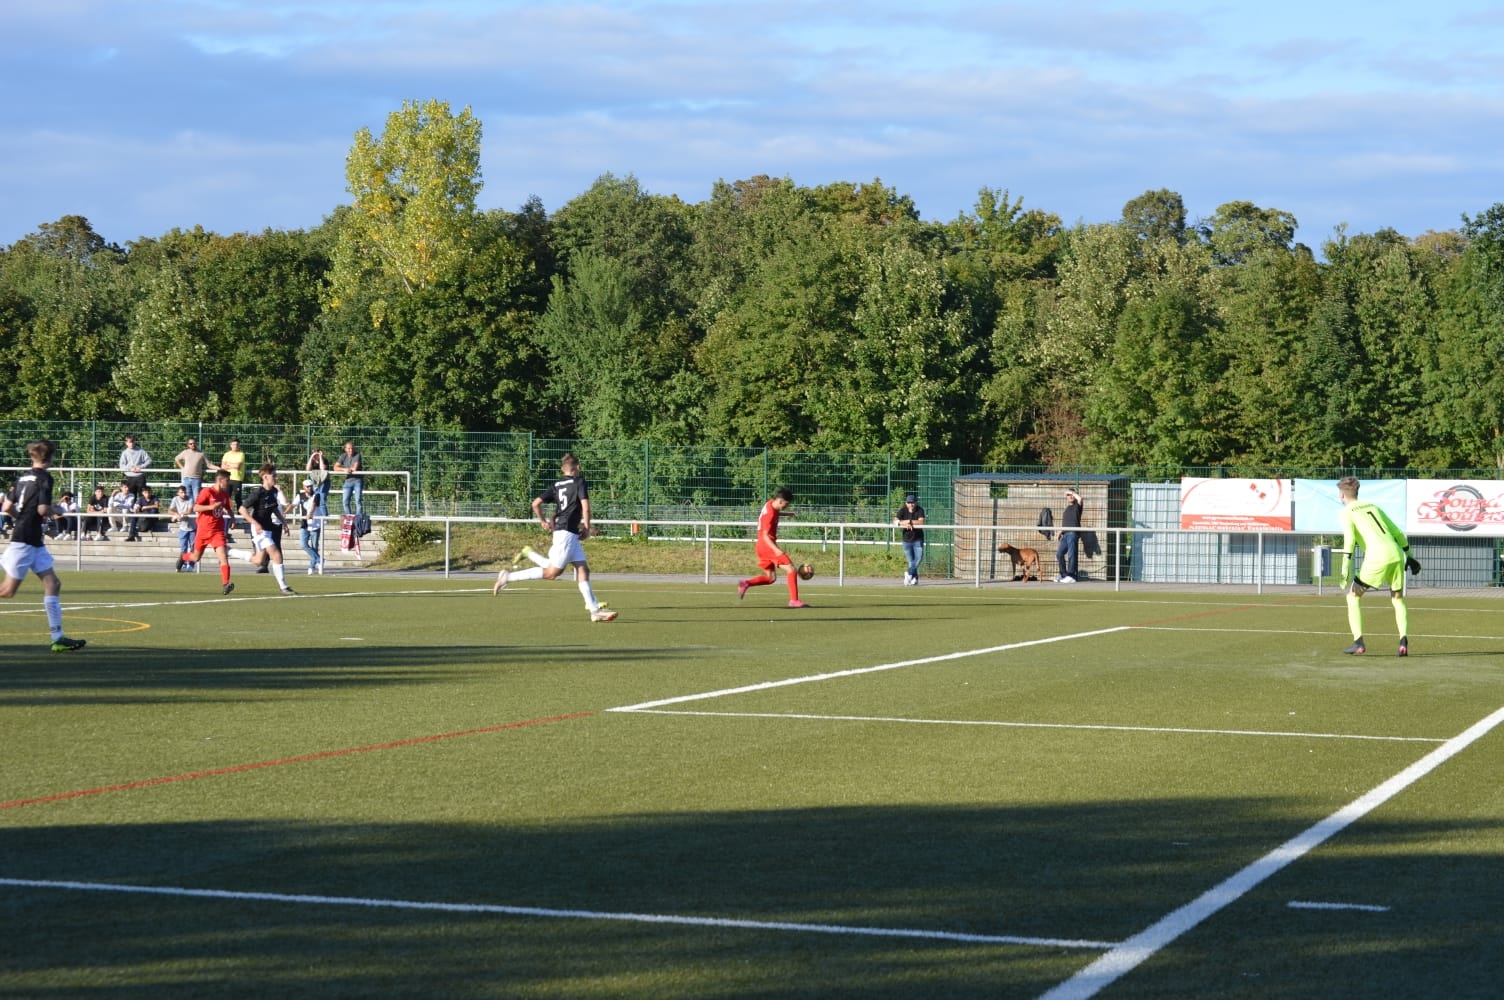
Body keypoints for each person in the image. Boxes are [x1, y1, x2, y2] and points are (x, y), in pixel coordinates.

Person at [491, 453, 617, 622]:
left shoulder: (556, 485)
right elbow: (586, 508)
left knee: (582, 569)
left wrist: (542, 521)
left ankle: (594, 610)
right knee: (552, 573)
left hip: (567, 532)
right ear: (577, 467)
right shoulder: (579, 482)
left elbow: (535, 503)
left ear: (562, 469)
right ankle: (508, 577)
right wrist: (587, 528)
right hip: (566, 534)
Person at [0, 440, 86, 651]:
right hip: (24, 540)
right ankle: (57, 637)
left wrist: (22, 518)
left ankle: (57, 638)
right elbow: (42, 509)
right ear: (51, 458)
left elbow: (7, 506)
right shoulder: (45, 478)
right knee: (7, 591)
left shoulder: (22, 478)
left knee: (53, 583)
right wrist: (58, 510)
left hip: (32, 540)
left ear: (32, 457)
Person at [1338, 476, 1417, 656]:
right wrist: (1410, 556)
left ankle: (1358, 643)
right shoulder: (1373, 507)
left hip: (1377, 557)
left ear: (1342, 495)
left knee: (1353, 596)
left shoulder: (1347, 512)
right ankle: (1403, 642)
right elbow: (1397, 532)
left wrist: (1344, 568)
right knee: (1397, 599)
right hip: (1396, 554)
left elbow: (1349, 541)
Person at [736, 487, 807, 608]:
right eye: (786, 504)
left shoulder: (770, 504)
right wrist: (776, 550)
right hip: (767, 545)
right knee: (791, 569)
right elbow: (765, 535)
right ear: (780, 501)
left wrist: (786, 514)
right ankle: (794, 600)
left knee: (771, 578)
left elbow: (775, 513)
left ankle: (746, 583)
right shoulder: (770, 514)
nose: (786, 506)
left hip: (760, 546)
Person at [239, 462, 296, 595]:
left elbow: (274, 508)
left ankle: (230, 552)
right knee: (276, 555)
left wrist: (284, 523)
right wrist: (255, 523)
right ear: (265, 477)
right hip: (259, 530)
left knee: (258, 560)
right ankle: (284, 587)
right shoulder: (258, 493)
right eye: (274, 475)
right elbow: (242, 509)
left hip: (268, 528)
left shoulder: (274, 491)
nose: (276, 478)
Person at [179, 468, 237, 595]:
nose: (228, 483)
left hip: (217, 531)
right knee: (196, 557)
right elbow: (196, 507)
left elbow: (228, 508)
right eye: (227, 480)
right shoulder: (207, 492)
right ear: (220, 480)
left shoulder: (224, 495)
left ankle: (226, 584)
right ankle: (183, 557)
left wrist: (233, 519)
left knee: (223, 557)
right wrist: (211, 507)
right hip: (203, 531)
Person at [292, 478, 324, 575]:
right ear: (304, 487)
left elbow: (314, 505)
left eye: (310, 486)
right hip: (305, 524)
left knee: (314, 547)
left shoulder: (316, 495)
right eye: (307, 486)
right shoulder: (300, 496)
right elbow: (293, 505)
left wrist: (310, 513)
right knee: (303, 544)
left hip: (315, 524)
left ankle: (311, 567)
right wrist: (284, 512)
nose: (309, 488)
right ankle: (320, 560)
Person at [894, 492, 926, 586]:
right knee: (911, 561)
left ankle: (908, 573)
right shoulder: (903, 510)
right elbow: (895, 521)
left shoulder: (920, 510)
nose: (911, 504)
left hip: (918, 539)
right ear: (906, 503)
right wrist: (904, 523)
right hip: (906, 540)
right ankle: (914, 579)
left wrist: (910, 522)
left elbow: (921, 522)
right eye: (909, 502)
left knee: (918, 559)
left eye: (912, 502)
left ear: (916, 502)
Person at [1056, 489, 1083, 583]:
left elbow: (1080, 499)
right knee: (1059, 554)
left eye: (1071, 495)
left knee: (1071, 554)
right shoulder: (1067, 509)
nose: (1070, 496)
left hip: (1073, 533)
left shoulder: (1077, 506)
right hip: (1065, 534)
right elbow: (1066, 523)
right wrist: (1060, 532)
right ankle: (1064, 575)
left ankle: (1071, 576)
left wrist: (1071, 492)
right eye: (1068, 495)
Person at [168, 484, 196, 570]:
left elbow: (190, 510)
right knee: (183, 548)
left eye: (184, 492)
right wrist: (175, 514)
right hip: (183, 527)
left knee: (193, 547)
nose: (183, 494)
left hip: (192, 527)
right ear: (178, 493)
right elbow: (170, 510)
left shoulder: (190, 498)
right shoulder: (175, 499)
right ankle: (183, 563)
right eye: (181, 492)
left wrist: (180, 514)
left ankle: (191, 565)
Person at [175, 435, 209, 502]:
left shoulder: (201, 453)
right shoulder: (185, 452)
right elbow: (177, 458)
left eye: (194, 443)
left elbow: (208, 464)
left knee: (197, 499)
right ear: (188, 445)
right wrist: (182, 468)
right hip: (186, 479)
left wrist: (219, 468)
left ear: (196, 443)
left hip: (196, 479)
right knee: (187, 498)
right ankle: (190, 509)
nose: (192, 445)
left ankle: (197, 509)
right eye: (190, 443)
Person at [333, 440, 363, 516]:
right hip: (348, 481)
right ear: (345, 449)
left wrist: (347, 469)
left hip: (357, 481)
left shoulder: (357, 455)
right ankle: (349, 518)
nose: (351, 450)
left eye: (352, 448)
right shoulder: (343, 456)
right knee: (345, 501)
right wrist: (344, 469)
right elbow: (335, 467)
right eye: (349, 448)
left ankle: (358, 518)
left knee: (358, 501)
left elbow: (354, 468)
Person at [305, 447, 332, 513]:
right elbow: (307, 469)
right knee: (315, 501)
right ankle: (317, 516)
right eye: (313, 453)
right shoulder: (312, 461)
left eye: (317, 453)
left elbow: (322, 469)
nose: (315, 454)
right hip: (315, 483)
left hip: (324, 483)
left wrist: (320, 457)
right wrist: (311, 457)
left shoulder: (324, 460)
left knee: (322, 502)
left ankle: (325, 518)